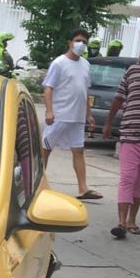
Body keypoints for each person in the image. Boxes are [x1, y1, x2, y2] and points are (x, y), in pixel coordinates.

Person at [102, 34, 140, 237]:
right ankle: (121, 222)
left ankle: (132, 220)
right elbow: (118, 99)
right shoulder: (132, 71)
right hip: (129, 135)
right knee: (128, 177)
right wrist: (108, 123)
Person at [42, 28, 102, 201]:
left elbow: (85, 90)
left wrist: (88, 113)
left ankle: (83, 188)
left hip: (77, 118)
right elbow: (48, 88)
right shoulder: (59, 63)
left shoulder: (86, 64)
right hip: (59, 116)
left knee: (79, 151)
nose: (81, 44)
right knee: (45, 150)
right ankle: (37, 184)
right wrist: (49, 110)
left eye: (84, 41)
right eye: (78, 40)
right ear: (69, 42)